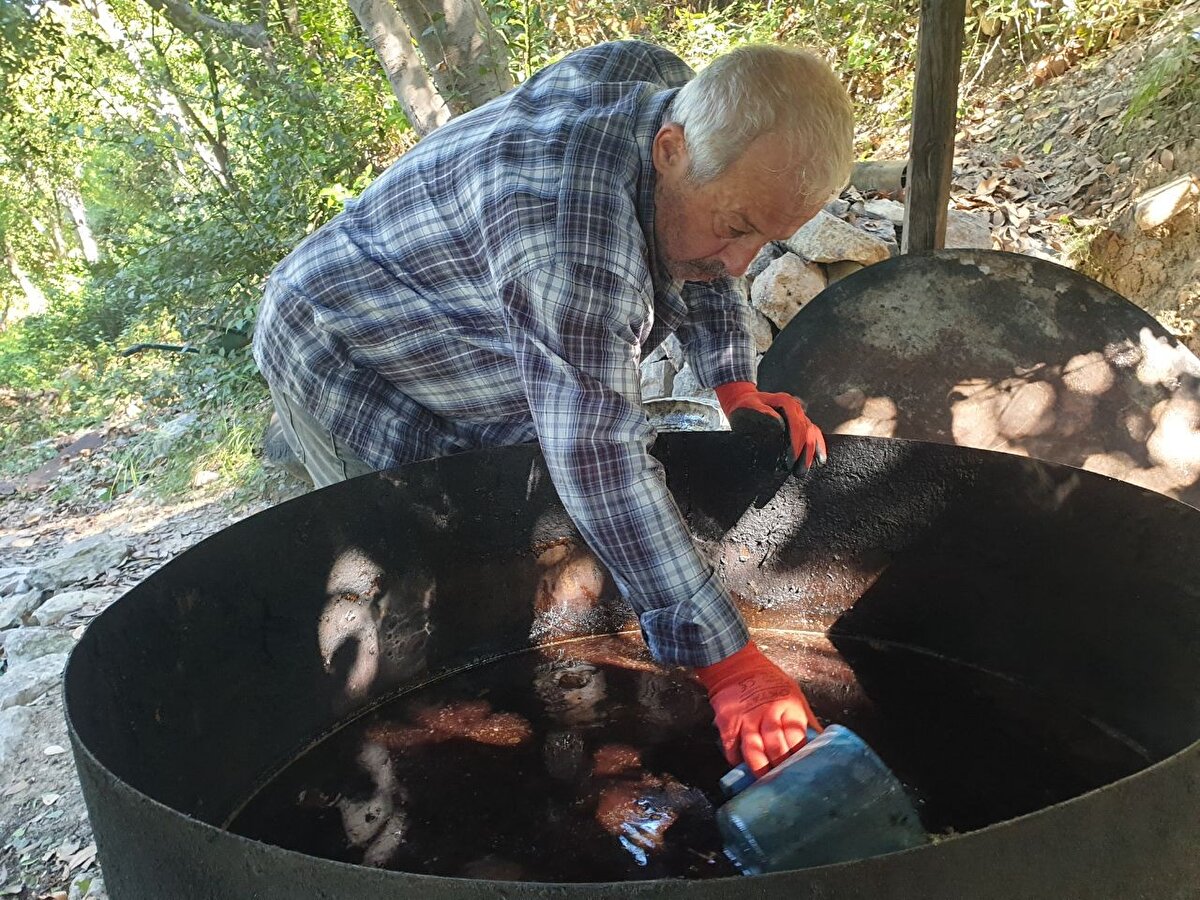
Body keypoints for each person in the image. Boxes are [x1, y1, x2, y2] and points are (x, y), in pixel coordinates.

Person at [253, 39, 854, 777]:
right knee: (416, 574)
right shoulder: (570, 230)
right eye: (736, 228)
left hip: (472, 323)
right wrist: (732, 667)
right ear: (669, 149)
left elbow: (704, 258)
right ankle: (430, 764)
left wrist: (734, 382)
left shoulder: (666, 92)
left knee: (509, 524)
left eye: (768, 238)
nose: (741, 262)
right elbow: (599, 460)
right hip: (350, 344)